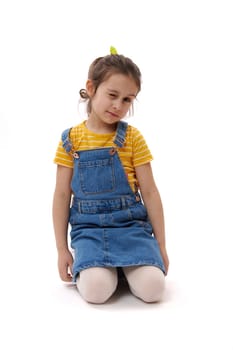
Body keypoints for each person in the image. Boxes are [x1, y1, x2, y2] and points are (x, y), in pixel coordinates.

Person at [52, 47, 169, 304]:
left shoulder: (132, 138)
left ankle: (124, 267)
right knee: (96, 292)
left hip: (130, 227)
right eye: (112, 95)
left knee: (154, 289)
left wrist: (160, 244)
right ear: (91, 88)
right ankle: (104, 268)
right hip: (89, 230)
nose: (118, 105)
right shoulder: (70, 140)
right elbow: (62, 195)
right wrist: (62, 249)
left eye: (128, 99)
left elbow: (150, 192)